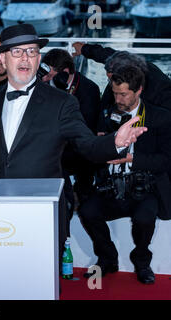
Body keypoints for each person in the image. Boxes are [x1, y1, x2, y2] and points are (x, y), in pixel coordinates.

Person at [0, 24, 147, 259]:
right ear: (3, 59)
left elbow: (87, 145)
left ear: (38, 59)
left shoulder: (61, 103)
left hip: (41, 209)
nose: (25, 58)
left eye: (31, 51)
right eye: (18, 52)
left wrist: (115, 141)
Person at [79, 65, 171, 284]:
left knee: (144, 218)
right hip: (109, 186)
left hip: (144, 187)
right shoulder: (105, 114)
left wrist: (132, 159)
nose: (117, 99)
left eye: (123, 94)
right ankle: (107, 258)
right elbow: (91, 152)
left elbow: (165, 160)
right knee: (87, 211)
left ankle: (141, 261)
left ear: (138, 91)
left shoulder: (161, 118)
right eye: (114, 93)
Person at [41, 48, 102, 232]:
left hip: (79, 150)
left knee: (84, 187)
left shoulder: (88, 89)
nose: (48, 77)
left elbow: (85, 129)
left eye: (52, 74)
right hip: (55, 151)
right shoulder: (44, 86)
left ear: (66, 72)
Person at [72, 42, 171, 111]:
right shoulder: (124, 62)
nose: (111, 82)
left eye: (112, 79)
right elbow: (107, 54)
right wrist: (84, 49)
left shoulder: (156, 89)